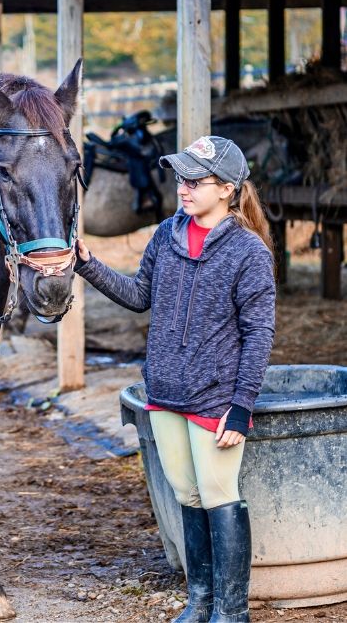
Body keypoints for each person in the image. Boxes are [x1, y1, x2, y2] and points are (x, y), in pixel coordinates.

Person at [75, 136, 276, 623]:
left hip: (214, 397)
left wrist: (242, 404)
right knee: (186, 493)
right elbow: (140, 294)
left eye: (195, 180)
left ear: (227, 189)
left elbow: (259, 332)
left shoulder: (248, 252)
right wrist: (86, 264)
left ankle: (233, 611)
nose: (183, 188)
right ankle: (201, 599)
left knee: (217, 493)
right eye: (180, 178)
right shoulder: (166, 234)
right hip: (164, 393)